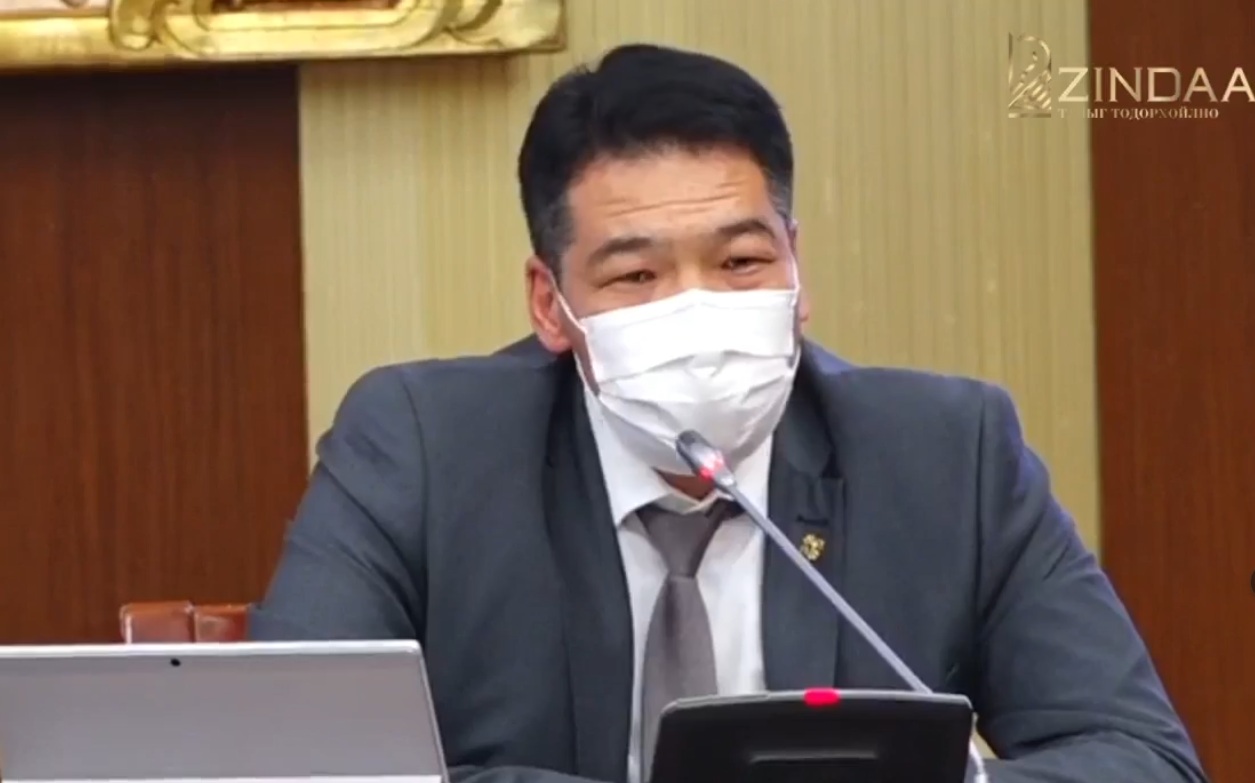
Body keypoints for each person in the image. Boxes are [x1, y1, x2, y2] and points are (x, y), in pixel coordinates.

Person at [249, 43, 1206, 783]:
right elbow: (284, 761)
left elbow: (1141, 758)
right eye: (636, 275)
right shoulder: (421, 447)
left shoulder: (949, 455)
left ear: (796, 269)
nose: (697, 308)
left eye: (741, 262)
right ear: (550, 303)